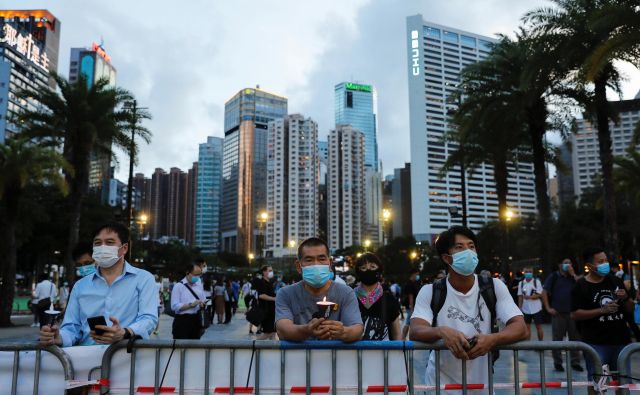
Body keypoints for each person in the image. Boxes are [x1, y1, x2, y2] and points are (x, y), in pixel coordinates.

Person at [409, 226, 526, 394]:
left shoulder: (494, 286)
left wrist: (493, 339)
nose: (468, 252)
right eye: (459, 247)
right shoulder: (430, 291)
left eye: (471, 246)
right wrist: (441, 332)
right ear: (446, 258)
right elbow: (416, 329)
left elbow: (520, 327)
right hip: (440, 387)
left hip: (482, 387)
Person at [39, 222, 158, 347]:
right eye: (97, 243)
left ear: (124, 248)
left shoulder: (144, 279)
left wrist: (125, 332)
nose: (103, 247)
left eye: (110, 242)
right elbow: (71, 327)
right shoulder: (80, 286)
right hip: (86, 359)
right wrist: (59, 337)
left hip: (126, 359)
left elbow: (148, 318)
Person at [275, 237, 363, 341]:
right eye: (309, 260)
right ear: (299, 266)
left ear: (330, 263)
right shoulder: (286, 294)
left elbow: (357, 329)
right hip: (298, 357)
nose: (316, 264)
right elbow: (282, 330)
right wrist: (307, 330)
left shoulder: (346, 292)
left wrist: (342, 332)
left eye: (321, 259)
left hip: (335, 356)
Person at [571, 247, 634, 390]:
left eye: (606, 260)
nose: (605, 264)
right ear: (590, 266)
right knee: (597, 386)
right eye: (600, 261)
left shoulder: (616, 280)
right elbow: (574, 314)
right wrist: (601, 310)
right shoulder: (581, 286)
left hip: (621, 343)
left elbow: (630, 308)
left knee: (623, 385)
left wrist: (625, 298)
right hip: (596, 344)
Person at [541, 259, 583, 372]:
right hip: (558, 313)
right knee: (557, 339)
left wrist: (573, 274)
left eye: (569, 262)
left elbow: (581, 285)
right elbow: (544, 292)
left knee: (575, 339)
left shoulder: (574, 278)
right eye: (565, 262)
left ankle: (575, 362)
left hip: (573, 313)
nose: (567, 265)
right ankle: (558, 363)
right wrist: (548, 308)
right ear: (560, 265)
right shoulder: (554, 277)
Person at [354, 253, 402, 340]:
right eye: (363, 268)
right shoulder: (350, 297)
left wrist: (399, 352)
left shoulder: (388, 299)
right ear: (358, 272)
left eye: (372, 267)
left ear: (379, 271)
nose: (368, 270)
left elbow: (397, 334)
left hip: (384, 353)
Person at [171, 263, 206, 339]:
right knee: (180, 346)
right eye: (195, 275)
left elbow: (203, 299)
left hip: (196, 320)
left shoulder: (199, 285)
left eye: (199, 275)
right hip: (182, 321)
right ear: (187, 273)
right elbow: (174, 306)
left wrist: (203, 304)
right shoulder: (178, 286)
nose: (197, 277)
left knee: (194, 347)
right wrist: (191, 305)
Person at [517, 267, 544, 341]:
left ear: (532, 273)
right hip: (526, 309)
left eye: (530, 271)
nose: (528, 273)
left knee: (538, 327)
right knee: (527, 327)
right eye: (526, 271)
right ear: (524, 273)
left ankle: (541, 344)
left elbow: (540, 294)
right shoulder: (521, 283)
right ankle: (528, 345)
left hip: (536, 308)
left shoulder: (536, 282)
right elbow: (520, 296)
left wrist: (530, 297)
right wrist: (519, 308)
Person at [254, 265, 277, 339]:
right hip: (266, 311)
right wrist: (274, 299)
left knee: (273, 333)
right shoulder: (262, 282)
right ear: (264, 272)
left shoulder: (269, 282)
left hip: (272, 311)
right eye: (269, 271)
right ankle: (254, 345)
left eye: (271, 271)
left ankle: (273, 349)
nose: (271, 272)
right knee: (268, 333)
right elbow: (261, 295)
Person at [401, 268, 420, 339]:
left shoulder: (410, 283)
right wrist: (412, 308)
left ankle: (404, 337)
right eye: (417, 274)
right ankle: (403, 337)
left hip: (410, 306)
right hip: (410, 306)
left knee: (409, 322)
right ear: (413, 274)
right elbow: (410, 296)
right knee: (408, 322)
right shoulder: (410, 284)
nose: (418, 276)